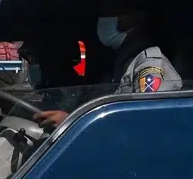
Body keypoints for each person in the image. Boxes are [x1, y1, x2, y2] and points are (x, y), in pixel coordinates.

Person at [33, 9, 181, 129]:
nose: (104, 19)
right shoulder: (119, 65)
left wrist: (72, 124)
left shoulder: (149, 65)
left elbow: (145, 125)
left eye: (110, 11)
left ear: (136, 19)